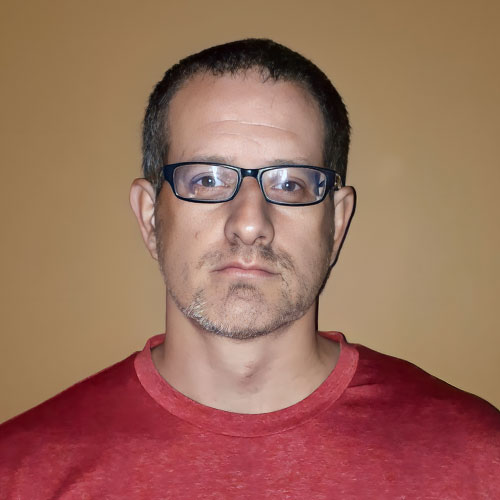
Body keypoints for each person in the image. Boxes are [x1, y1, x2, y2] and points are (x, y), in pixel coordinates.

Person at [0, 38, 498, 499]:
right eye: (207, 179)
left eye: (290, 184)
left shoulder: (480, 463)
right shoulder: (20, 475)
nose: (249, 223)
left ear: (337, 221)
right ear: (150, 217)